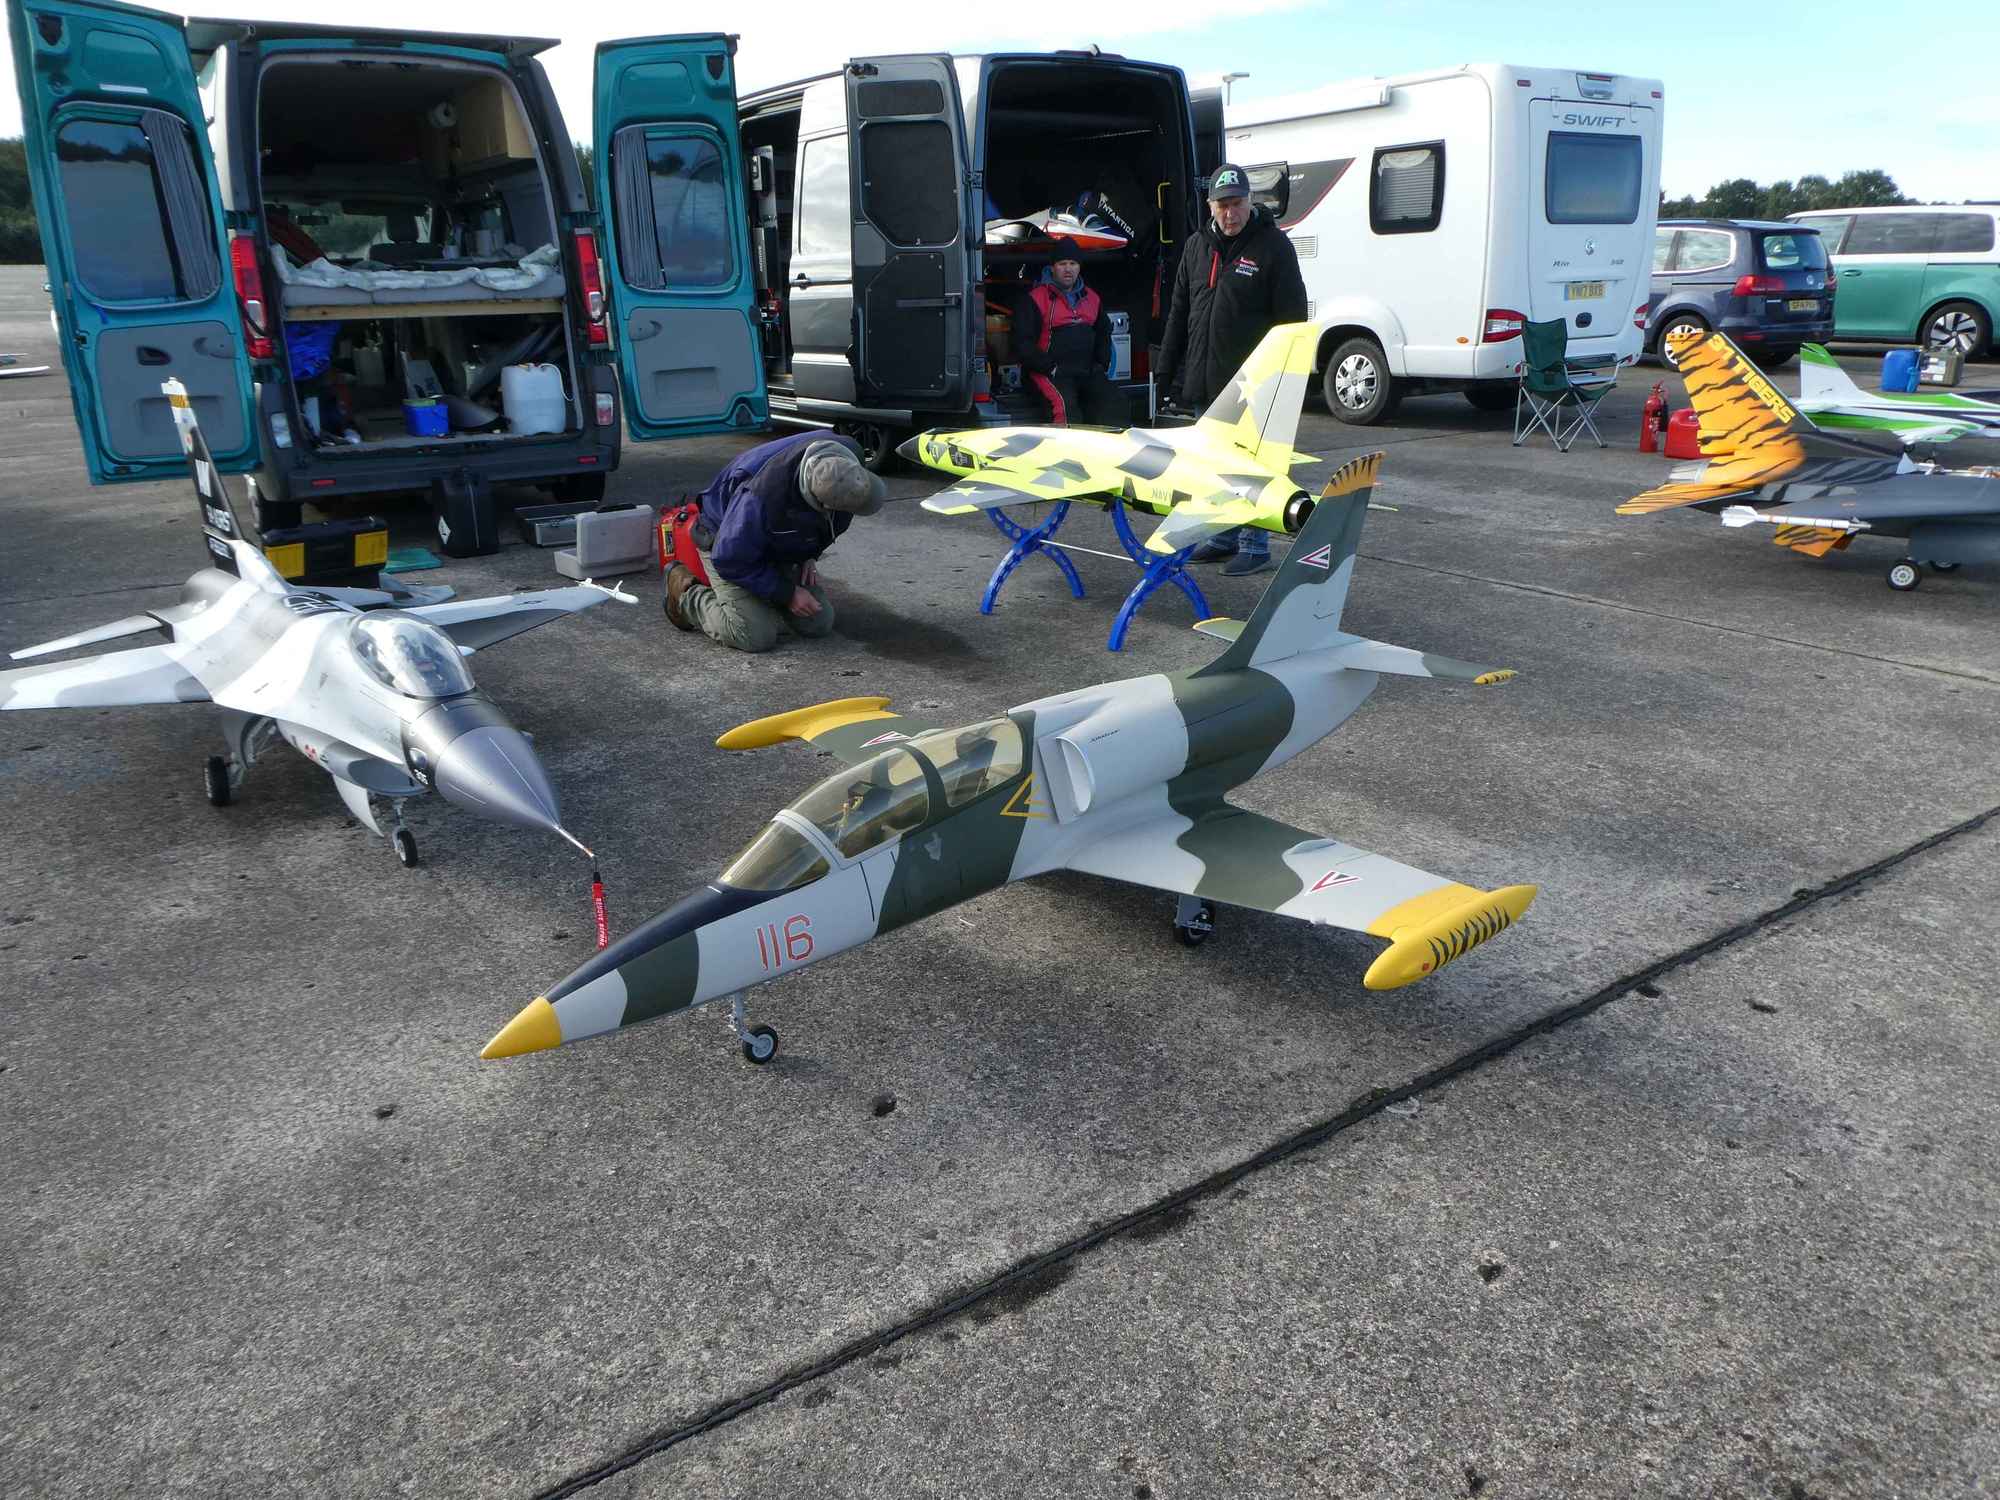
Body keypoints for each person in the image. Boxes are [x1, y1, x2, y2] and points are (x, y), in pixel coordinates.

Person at [1155, 163, 1308, 575]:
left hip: (1254, 384)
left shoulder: (1273, 247)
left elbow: (1293, 319)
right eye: (1222, 205)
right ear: (1210, 206)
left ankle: (1255, 546)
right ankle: (1222, 536)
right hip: (1205, 381)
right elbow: (1179, 313)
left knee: (1252, 466)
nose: (1230, 212)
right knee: (1213, 465)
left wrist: (1285, 380)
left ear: (1250, 202)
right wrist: (1165, 373)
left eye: (1237, 203)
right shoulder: (1195, 247)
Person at [662, 432, 887, 652]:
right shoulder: (759, 499)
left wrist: (810, 554)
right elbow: (728, 559)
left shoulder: (847, 457)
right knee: (755, 635)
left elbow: (834, 520)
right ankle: (685, 594)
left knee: (818, 623)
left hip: (772, 540)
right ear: (822, 506)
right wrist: (788, 593)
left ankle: (760, 600)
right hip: (725, 541)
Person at [1013, 252, 1125, 427]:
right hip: (1047, 372)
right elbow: (1023, 343)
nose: (1068, 269)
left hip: (1085, 371)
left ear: (1079, 267)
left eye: (1073, 263)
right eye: (1062, 263)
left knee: (1114, 402)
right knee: (1064, 408)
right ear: (1052, 267)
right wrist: (1050, 368)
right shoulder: (1035, 299)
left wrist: (1100, 364)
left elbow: (1103, 332)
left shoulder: (1092, 298)